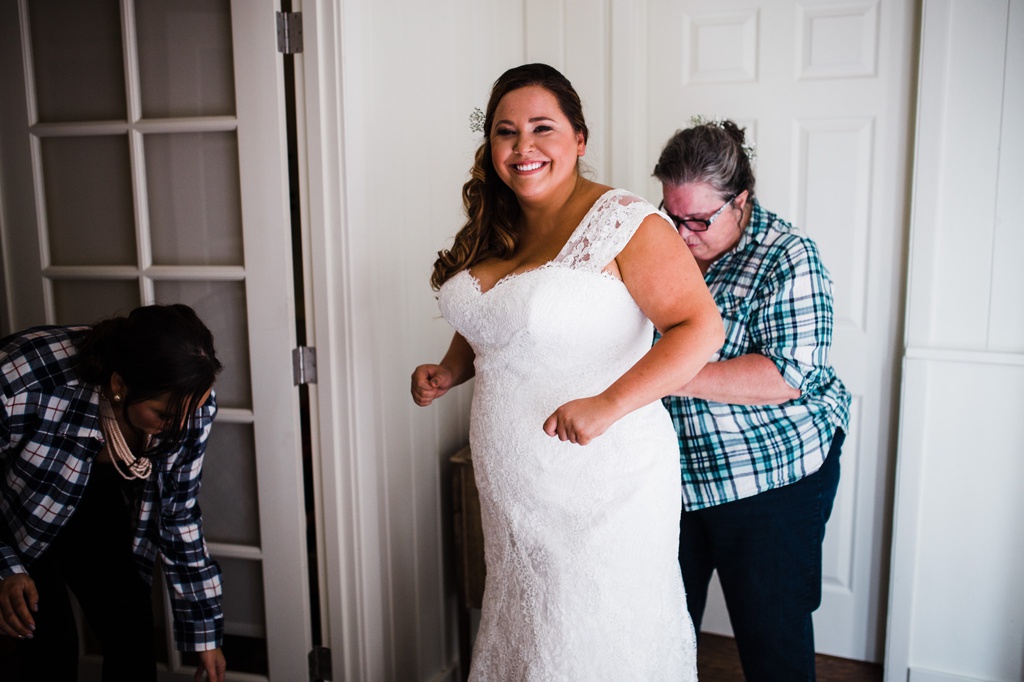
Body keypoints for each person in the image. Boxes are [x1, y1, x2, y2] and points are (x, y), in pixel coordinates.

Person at [411, 63, 723, 680]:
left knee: (589, 643)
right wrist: (450, 370)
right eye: (505, 132)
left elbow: (700, 330)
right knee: (530, 637)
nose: (522, 147)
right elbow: (501, 318)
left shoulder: (627, 223)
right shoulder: (496, 227)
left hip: (604, 487)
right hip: (513, 488)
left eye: (541, 128)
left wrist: (607, 404)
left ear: (579, 138)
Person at [653, 118, 852, 681]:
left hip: (770, 475)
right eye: (672, 214)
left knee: (773, 637)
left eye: (698, 219)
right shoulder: (661, 243)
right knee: (666, 627)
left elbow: (786, 376)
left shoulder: (788, 255)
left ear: (740, 201)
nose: (683, 232)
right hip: (676, 475)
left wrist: (662, 373)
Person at [0, 304, 227, 682]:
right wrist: (5, 566)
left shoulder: (190, 405)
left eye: (194, 410)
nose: (183, 427)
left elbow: (178, 512)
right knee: (50, 647)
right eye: (165, 416)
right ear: (120, 385)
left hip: (94, 494)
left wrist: (206, 635)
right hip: (14, 504)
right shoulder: (19, 378)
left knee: (132, 630)